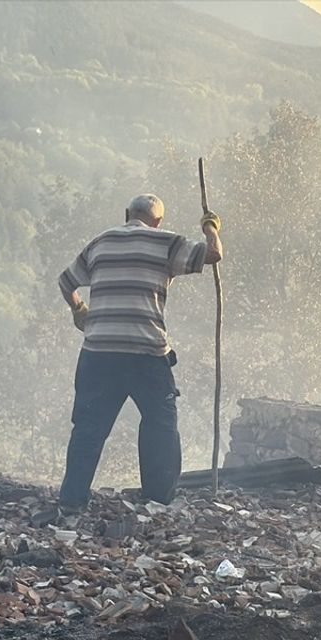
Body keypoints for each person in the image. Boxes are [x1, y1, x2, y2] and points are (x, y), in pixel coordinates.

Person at [56, 193, 222, 510]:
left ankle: (71, 501)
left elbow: (66, 282)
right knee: (160, 423)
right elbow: (213, 254)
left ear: (126, 213)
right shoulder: (166, 242)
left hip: (98, 352)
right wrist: (210, 225)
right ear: (157, 221)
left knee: (88, 428)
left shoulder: (100, 243)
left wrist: (79, 310)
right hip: (146, 352)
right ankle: (158, 500)